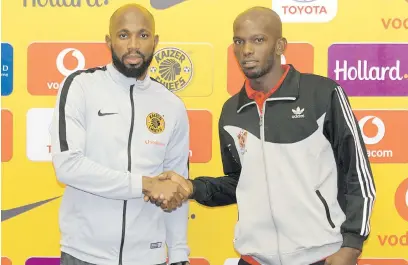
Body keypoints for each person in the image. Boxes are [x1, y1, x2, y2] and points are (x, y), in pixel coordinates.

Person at [144, 6, 376, 265]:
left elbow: (357, 173)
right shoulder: (232, 111)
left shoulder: (322, 94)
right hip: (254, 258)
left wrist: (352, 245)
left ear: (279, 46)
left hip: (321, 256)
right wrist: (192, 187)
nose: (246, 51)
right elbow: (240, 183)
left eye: (258, 40)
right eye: (239, 41)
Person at [50, 3, 191, 265]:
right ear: (109, 41)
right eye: (124, 35)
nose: (133, 45)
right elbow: (68, 166)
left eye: (143, 35)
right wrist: (144, 184)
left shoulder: (172, 105)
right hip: (83, 255)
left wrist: (180, 252)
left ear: (155, 41)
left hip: (149, 258)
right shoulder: (80, 86)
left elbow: (176, 185)